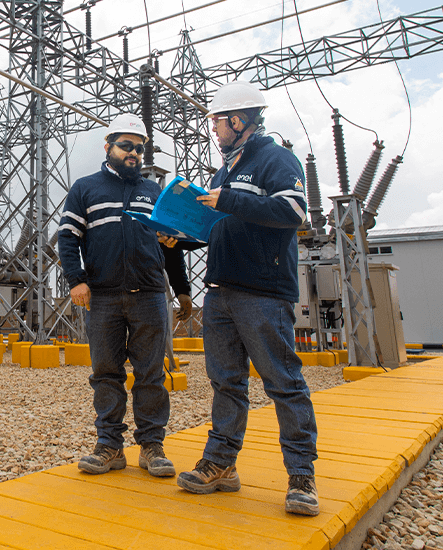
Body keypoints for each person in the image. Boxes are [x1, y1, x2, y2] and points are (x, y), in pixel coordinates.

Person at [171, 81, 320, 516]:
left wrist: (230, 199)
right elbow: (217, 225)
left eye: (216, 121)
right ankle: (220, 464)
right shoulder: (224, 173)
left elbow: (294, 211)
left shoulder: (275, 158)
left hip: (262, 292)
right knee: (226, 382)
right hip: (219, 292)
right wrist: (177, 239)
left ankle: (301, 477)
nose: (213, 130)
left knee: (284, 384)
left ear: (239, 120)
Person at [58, 113, 193, 478]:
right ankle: (110, 446)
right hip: (102, 296)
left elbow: (172, 247)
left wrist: (182, 290)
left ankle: (152, 446)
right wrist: (76, 280)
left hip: (149, 294)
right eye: (127, 146)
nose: (134, 153)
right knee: (106, 373)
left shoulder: (153, 193)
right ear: (108, 147)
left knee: (151, 373)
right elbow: (67, 238)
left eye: (139, 147)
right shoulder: (85, 189)